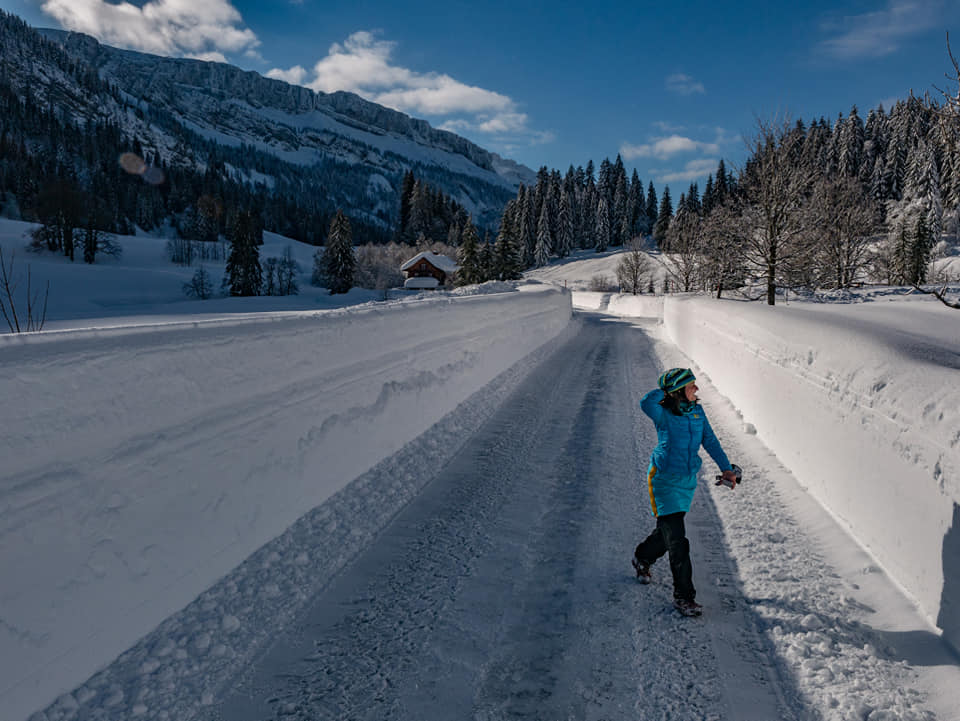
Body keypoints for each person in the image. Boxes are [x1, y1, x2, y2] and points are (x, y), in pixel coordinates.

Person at [633, 367, 739, 616]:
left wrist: (726, 469)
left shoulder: (697, 412)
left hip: (686, 481)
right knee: (678, 541)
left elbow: (710, 441)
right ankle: (684, 597)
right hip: (664, 480)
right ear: (679, 390)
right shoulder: (662, 413)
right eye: (691, 385)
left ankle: (642, 557)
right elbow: (645, 402)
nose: (697, 389)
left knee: (667, 533)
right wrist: (667, 388)